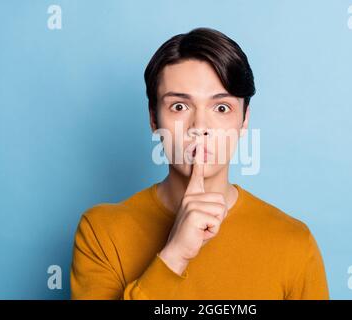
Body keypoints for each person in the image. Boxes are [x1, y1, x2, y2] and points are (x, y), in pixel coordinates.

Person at [70, 27, 329, 300]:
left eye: (221, 108)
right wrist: (175, 254)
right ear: (154, 120)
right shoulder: (101, 231)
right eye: (179, 107)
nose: (200, 127)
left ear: (244, 121)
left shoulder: (294, 242)